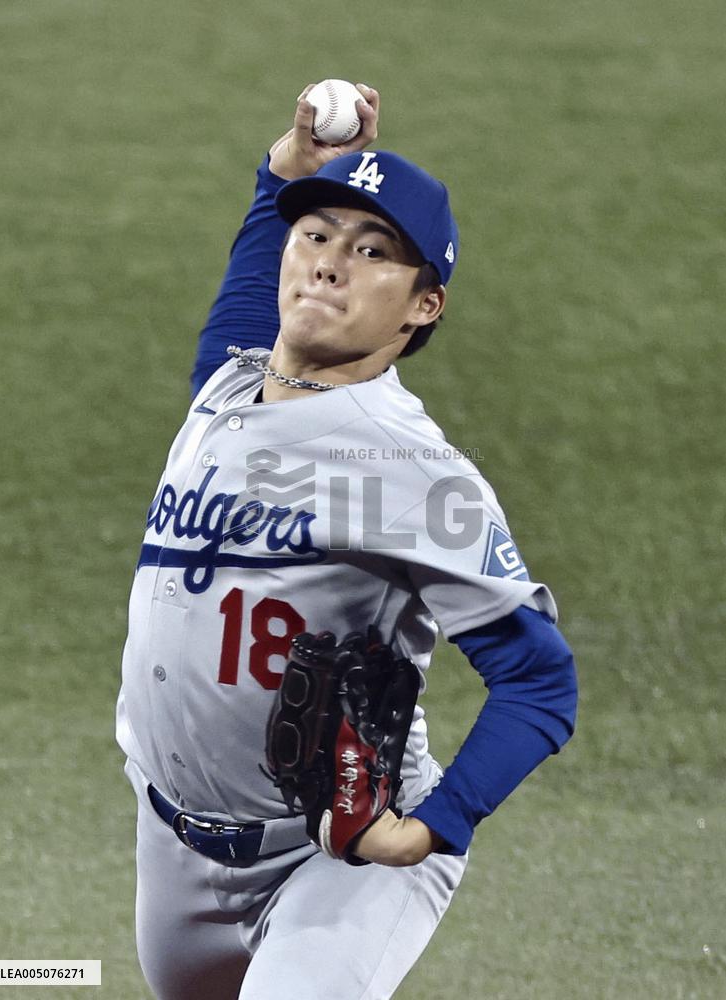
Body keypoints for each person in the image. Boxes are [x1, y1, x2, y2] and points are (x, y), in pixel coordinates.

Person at [116, 83, 578, 999]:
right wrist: (283, 173)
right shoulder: (227, 385)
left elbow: (539, 678)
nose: (327, 264)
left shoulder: (413, 470)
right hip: (171, 845)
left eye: (371, 252)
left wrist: (432, 826)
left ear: (422, 306)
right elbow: (258, 271)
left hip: (339, 856)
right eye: (316, 236)